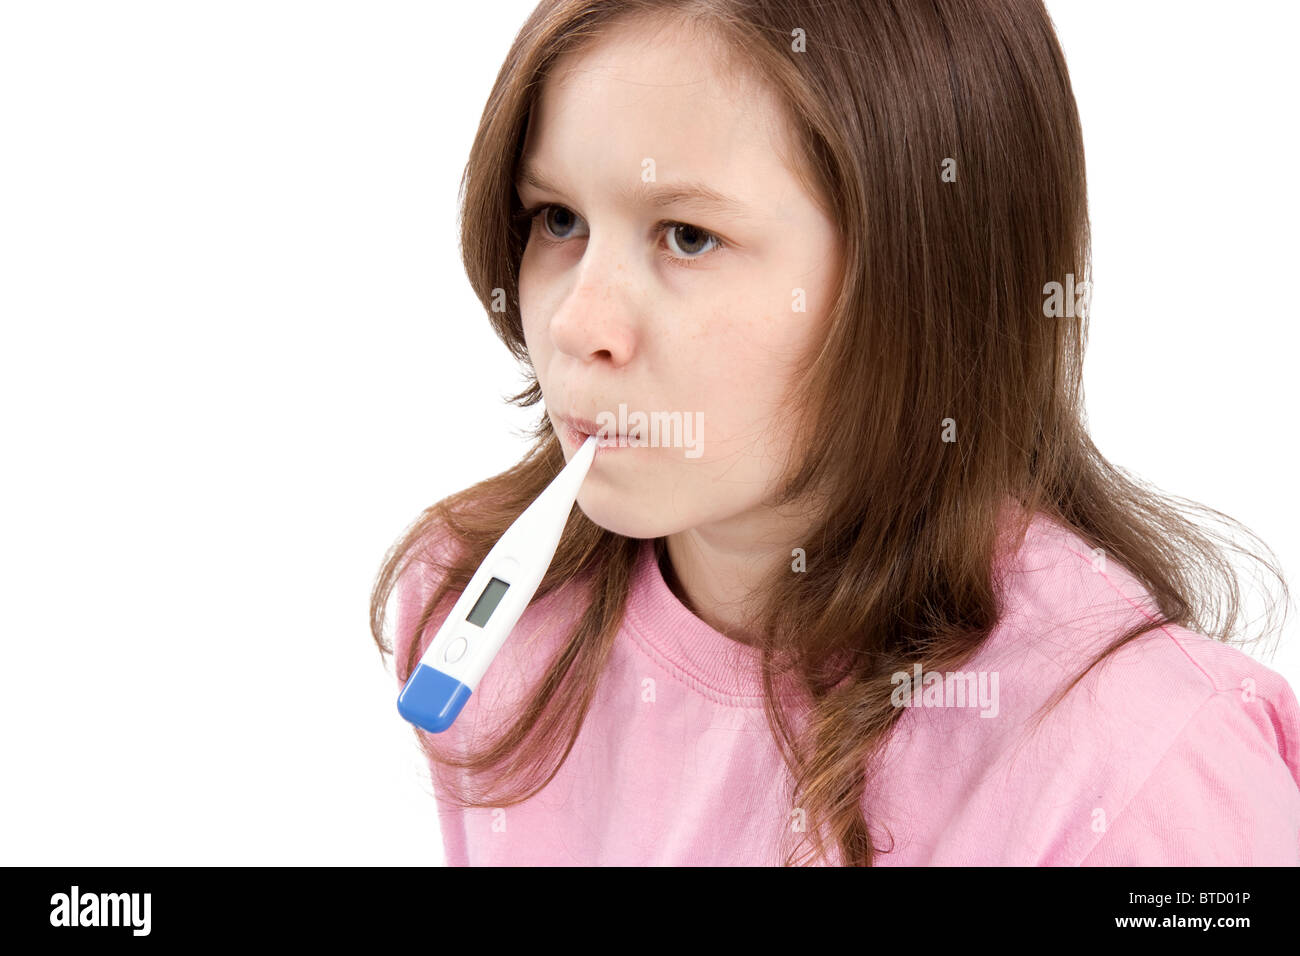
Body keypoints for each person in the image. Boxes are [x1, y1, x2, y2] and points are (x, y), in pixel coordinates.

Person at [371, 0, 1300, 866]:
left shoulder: (1148, 777)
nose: (577, 325)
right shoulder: (479, 617)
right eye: (559, 219)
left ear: (928, 274)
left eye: (687, 236)